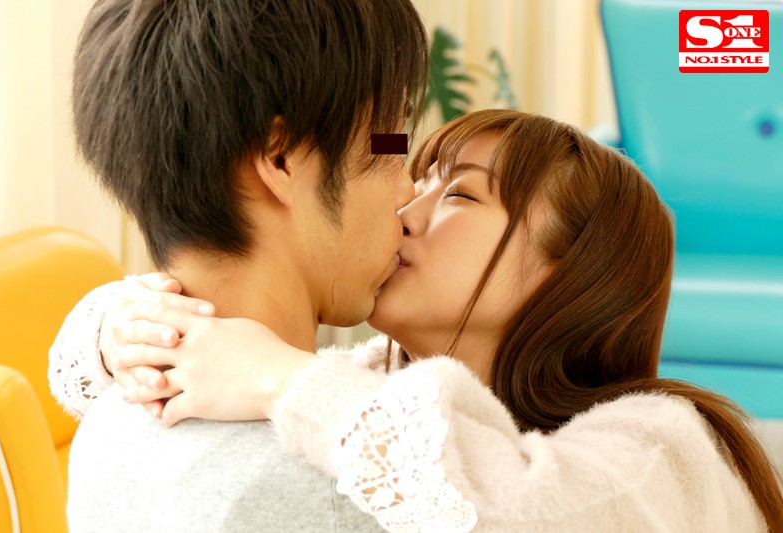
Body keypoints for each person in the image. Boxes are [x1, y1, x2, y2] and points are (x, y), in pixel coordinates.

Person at [52, 110, 783, 531]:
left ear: (572, 271)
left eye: (459, 195)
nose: (404, 207)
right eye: (417, 177)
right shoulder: (372, 382)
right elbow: (83, 383)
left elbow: (520, 513)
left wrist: (280, 378)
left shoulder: (660, 443)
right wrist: (127, 327)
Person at [50, 0, 428, 531]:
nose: (409, 191)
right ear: (281, 159)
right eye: (388, 146)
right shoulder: (366, 483)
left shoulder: (105, 425)